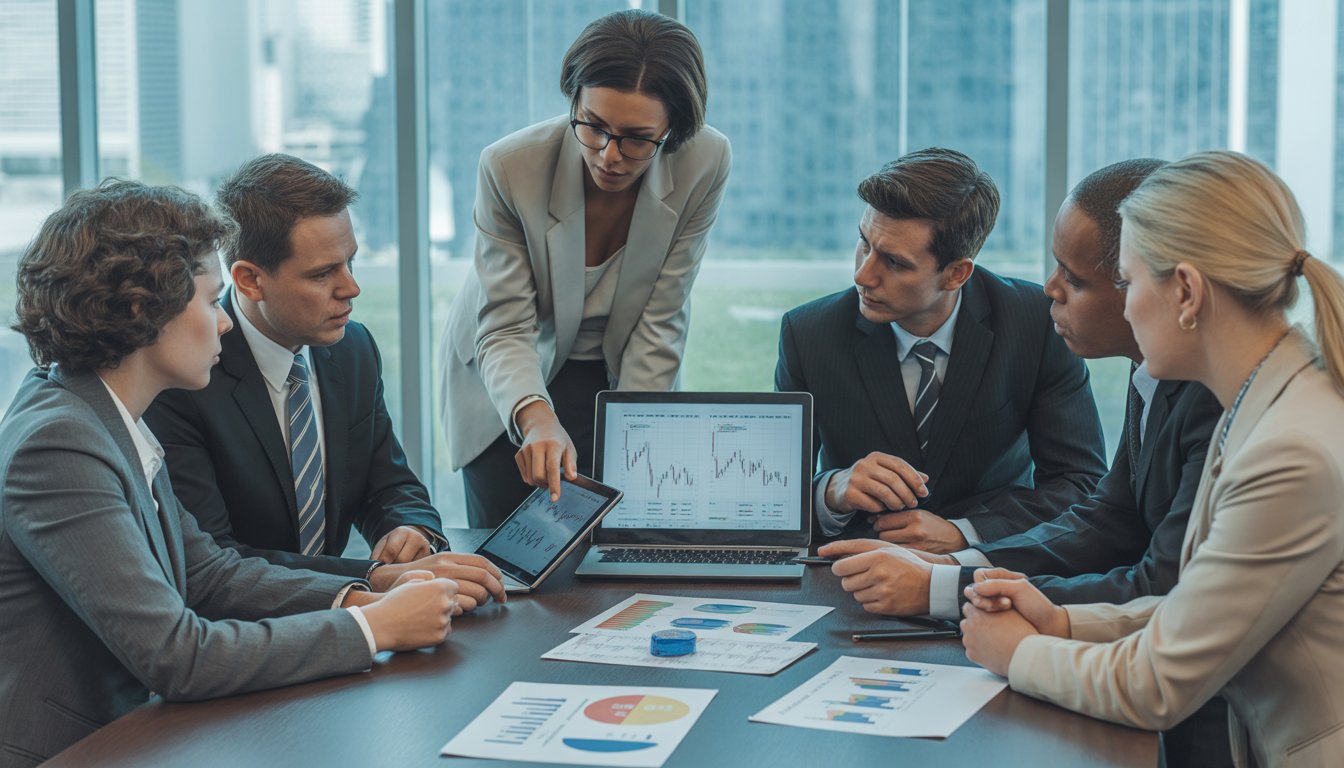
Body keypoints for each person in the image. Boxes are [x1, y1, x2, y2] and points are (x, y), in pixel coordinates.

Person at [0, 180, 459, 767]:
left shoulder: (102, 414)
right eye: (211, 300)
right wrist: (373, 629)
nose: (224, 324)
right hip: (76, 750)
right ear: (145, 310)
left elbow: (208, 573)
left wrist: (366, 588)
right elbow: (177, 654)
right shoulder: (60, 442)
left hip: (139, 734)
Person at [818, 159, 1231, 767]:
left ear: (1171, 289)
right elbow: (1108, 518)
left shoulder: (1210, 398)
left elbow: (1157, 583)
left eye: (1076, 277)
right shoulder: (1157, 379)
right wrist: (956, 565)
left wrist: (943, 583)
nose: (1049, 290)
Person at [961, 151, 1344, 767]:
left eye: (1131, 282)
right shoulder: (1259, 401)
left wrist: (1016, 653)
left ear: (1186, 291)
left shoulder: (1288, 451)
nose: (1129, 305)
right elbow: (1193, 610)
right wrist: (1061, 622)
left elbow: (1157, 683)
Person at [144, 155, 505, 609]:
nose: (351, 288)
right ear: (249, 280)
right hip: (243, 634)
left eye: (350, 262)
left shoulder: (351, 348)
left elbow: (389, 483)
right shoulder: (185, 378)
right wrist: (376, 579)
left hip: (345, 627)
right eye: (322, 273)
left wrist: (408, 530)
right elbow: (215, 560)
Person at [438, 8, 732, 527]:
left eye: (638, 139)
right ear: (573, 99)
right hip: (510, 376)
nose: (608, 155)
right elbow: (505, 325)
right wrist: (535, 417)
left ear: (675, 131)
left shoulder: (704, 161)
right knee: (515, 570)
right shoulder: (509, 166)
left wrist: (635, 437)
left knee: (625, 542)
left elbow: (661, 316)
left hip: (623, 370)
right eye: (592, 126)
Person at [775, 149, 1106, 551]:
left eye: (894, 263)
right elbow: (771, 501)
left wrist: (966, 532)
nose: (863, 274)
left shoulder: (1036, 324)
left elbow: (1080, 484)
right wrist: (832, 491)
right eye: (864, 243)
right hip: (852, 572)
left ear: (956, 274)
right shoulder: (809, 334)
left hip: (989, 572)